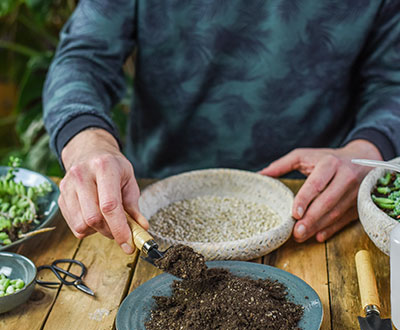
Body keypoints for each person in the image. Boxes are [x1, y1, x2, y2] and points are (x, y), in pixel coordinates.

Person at [43, 1, 400, 254]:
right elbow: (83, 58)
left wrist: (366, 152)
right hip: (144, 204)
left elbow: (392, 84)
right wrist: (88, 145)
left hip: (320, 205)